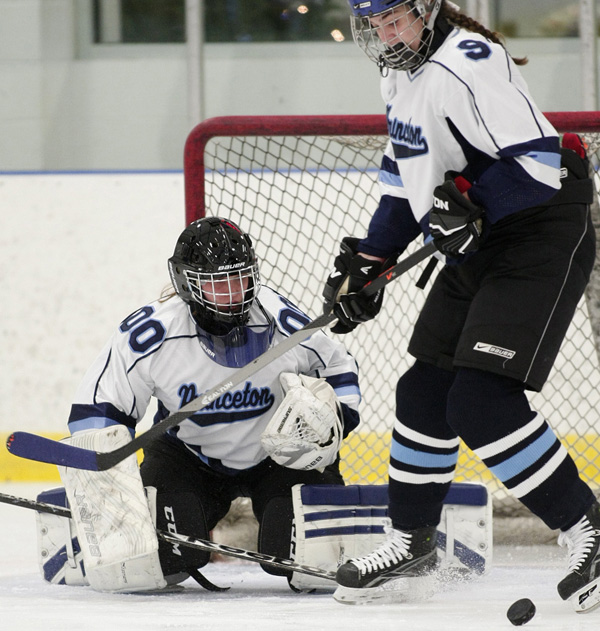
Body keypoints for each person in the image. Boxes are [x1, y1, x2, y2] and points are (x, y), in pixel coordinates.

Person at [322, 0, 600, 611]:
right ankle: (413, 542)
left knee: (480, 402)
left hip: (538, 229)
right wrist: (372, 263)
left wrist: (471, 203)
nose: (384, 35)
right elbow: (403, 178)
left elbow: (542, 163)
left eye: (394, 19)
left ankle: (589, 528)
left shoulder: (472, 61)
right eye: (373, 24)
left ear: (425, 10)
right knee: (422, 393)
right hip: (482, 236)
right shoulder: (398, 70)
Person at [57, 216, 360, 593]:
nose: (234, 294)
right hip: (188, 456)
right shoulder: (150, 334)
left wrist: (339, 418)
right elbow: (98, 407)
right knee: (160, 564)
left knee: (309, 567)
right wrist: (103, 482)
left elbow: (338, 363)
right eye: (218, 284)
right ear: (186, 284)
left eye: (241, 279)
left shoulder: (280, 318)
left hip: (280, 459)